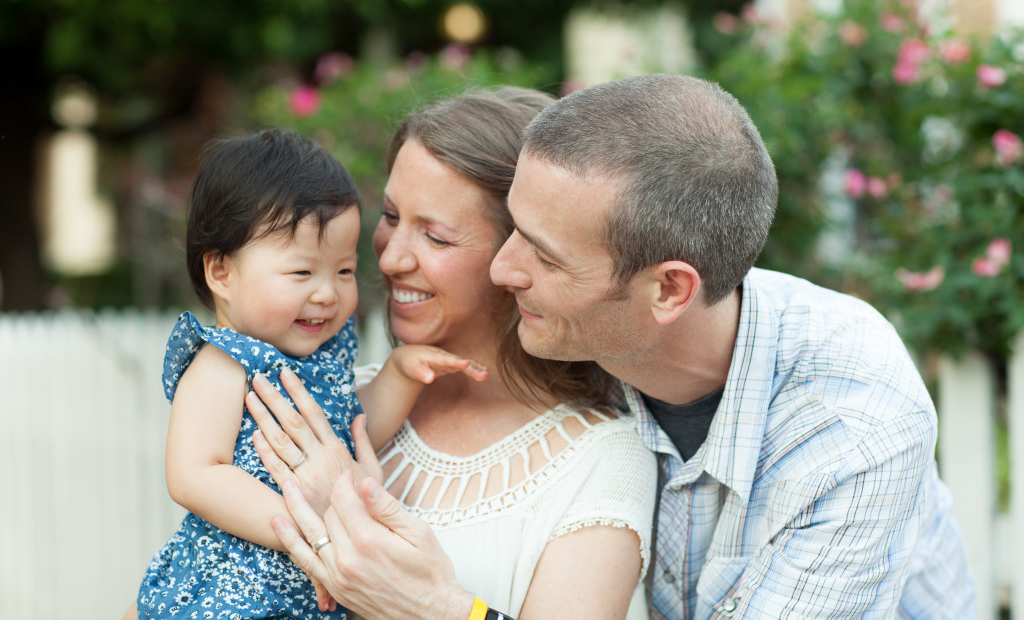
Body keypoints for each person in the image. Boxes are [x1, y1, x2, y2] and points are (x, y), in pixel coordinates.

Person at [262, 75, 975, 619]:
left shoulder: (849, 427)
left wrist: (438, 608)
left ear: (668, 291)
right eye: (508, 230)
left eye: (541, 254)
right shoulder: (594, 350)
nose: (504, 272)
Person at [243, 87, 659, 619]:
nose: (390, 258)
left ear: (520, 255)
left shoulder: (601, 459)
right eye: (391, 215)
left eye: (435, 238)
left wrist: (414, 595)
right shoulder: (326, 403)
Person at [132, 129, 487, 620]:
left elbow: (354, 432)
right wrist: (306, 525)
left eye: (343, 272)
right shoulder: (223, 362)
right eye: (302, 274)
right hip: (233, 591)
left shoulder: (327, 353)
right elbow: (195, 475)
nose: (326, 294)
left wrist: (400, 376)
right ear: (221, 273)